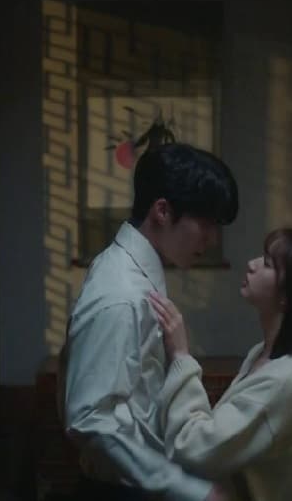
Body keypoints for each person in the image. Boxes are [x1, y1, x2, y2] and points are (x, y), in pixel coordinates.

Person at [62, 143, 239, 501]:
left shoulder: (132, 273)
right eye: (205, 223)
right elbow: (90, 417)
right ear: (162, 211)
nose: (211, 239)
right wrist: (186, 488)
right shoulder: (122, 293)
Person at [148, 228, 292, 501]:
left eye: (268, 264)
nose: (252, 264)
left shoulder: (291, 379)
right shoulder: (263, 354)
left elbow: (195, 449)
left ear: (290, 294)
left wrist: (181, 356)